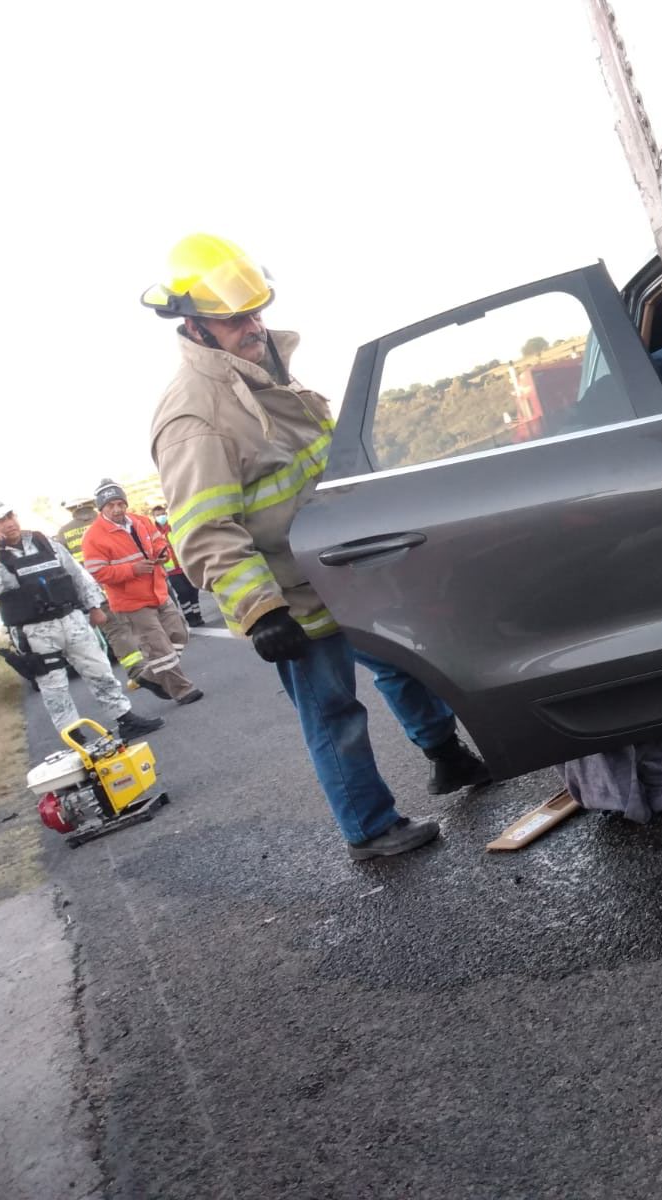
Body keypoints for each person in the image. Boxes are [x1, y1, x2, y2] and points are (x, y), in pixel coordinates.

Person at [144, 233, 490, 860]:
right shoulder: (195, 415)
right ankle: (370, 829)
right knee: (333, 711)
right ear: (194, 326)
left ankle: (447, 756)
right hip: (291, 595)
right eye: (235, 319)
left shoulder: (262, 374)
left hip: (345, 570)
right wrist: (261, 611)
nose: (253, 326)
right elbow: (204, 529)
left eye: (255, 311)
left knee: (404, 666)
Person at [0, 502, 165, 738]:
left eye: (9, 516)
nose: (8, 523)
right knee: (54, 688)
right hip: (34, 633)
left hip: (71, 619)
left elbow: (77, 575)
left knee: (100, 671)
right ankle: (74, 736)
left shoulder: (43, 542)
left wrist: (94, 607)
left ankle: (125, 719)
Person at [81, 479, 204, 706]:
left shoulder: (141, 521)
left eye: (120, 503)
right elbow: (97, 572)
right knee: (159, 647)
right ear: (101, 508)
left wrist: (162, 553)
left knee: (179, 633)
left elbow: (159, 542)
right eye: (111, 505)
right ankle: (182, 690)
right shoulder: (93, 537)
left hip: (158, 591)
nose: (117, 509)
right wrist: (132, 570)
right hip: (131, 601)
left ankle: (149, 676)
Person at [150, 503, 205, 626]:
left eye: (163, 514)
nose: (161, 517)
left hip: (185, 565)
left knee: (193, 591)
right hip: (171, 570)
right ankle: (190, 618)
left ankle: (197, 615)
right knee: (183, 592)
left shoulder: (174, 527)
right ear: (154, 517)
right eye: (158, 515)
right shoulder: (154, 533)